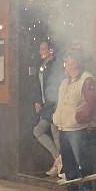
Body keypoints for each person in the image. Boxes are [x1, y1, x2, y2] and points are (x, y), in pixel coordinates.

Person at [51, 53, 96, 191]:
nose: (69, 66)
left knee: (82, 162)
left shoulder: (86, 80)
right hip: (64, 127)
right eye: (67, 62)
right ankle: (71, 189)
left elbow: (92, 102)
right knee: (68, 162)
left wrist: (79, 117)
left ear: (78, 63)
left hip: (78, 128)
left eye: (72, 62)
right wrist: (56, 116)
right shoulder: (65, 82)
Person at [31, 40, 63, 177]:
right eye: (40, 48)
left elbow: (56, 85)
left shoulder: (56, 65)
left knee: (52, 132)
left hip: (54, 103)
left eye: (43, 49)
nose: (41, 51)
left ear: (50, 50)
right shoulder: (40, 65)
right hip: (45, 104)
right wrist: (38, 100)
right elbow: (37, 84)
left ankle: (60, 164)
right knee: (43, 131)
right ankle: (59, 161)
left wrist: (57, 104)